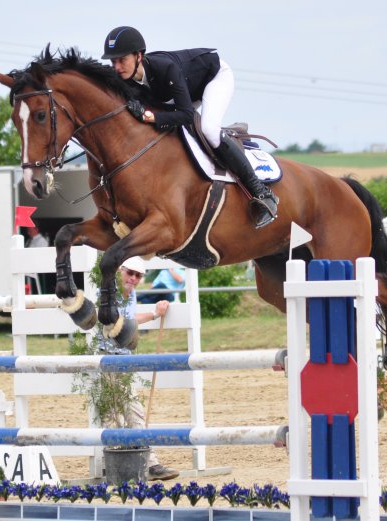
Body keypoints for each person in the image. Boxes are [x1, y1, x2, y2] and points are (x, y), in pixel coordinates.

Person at [101, 26, 279, 229]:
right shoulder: (125, 80)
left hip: (214, 78)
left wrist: (153, 117)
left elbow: (185, 114)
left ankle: (263, 194)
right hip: (179, 94)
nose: (116, 67)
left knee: (209, 130)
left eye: (121, 60)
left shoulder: (165, 68)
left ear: (138, 56)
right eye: (113, 61)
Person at [99, 256, 180, 481]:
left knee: (123, 410)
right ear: (120, 271)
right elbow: (123, 322)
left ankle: (135, 464)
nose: (133, 279)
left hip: (121, 359)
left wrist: (154, 313)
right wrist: (154, 314)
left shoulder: (129, 294)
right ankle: (143, 464)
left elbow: (130, 318)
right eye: (130, 273)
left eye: (138, 275)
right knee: (119, 411)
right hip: (109, 358)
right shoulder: (110, 293)